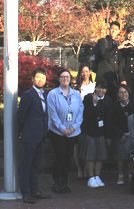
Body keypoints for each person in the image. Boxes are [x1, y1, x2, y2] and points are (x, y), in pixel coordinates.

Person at [47, 69, 84, 193]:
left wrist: (73, 127)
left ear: (70, 78)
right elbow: (52, 115)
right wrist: (63, 129)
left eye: (67, 76)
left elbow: (80, 112)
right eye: (62, 77)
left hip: (73, 132)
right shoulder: (53, 94)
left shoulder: (76, 94)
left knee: (68, 158)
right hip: (58, 133)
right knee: (60, 157)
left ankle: (65, 182)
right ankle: (56, 182)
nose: (65, 79)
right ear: (59, 79)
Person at [18, 67, 51, 203]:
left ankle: (35, 190)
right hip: (29, 137)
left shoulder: (44, 94)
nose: (40, 80)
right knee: (26, 165)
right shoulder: (28, 95)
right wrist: (21, 133)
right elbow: (21, 116)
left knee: (36, 165)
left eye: (43, 77)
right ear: (32, 79)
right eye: (38, 77)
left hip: (41, 136)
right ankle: (26, 193)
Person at [80, 82, 112, 188]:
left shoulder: (108, 100)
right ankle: (90, 177)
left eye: (103, 88)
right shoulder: (88, 98)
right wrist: (94, 104)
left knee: (100, 155)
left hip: (101, 132)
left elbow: (108, 118)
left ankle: (97, 176)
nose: (101, 90)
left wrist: (108, 135)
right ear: (95, 88)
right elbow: (86, 115)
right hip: (90, 131)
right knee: (90, 155)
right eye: (99, 87)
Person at [108, 84, 134, 185]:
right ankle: (120, 174)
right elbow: (111, 123)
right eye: (121, 92)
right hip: (121, 135)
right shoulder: (115, 106)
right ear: (118, 95)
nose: (123, 94)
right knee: (121, 155)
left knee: (131, 156)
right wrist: (121, 134)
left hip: (132, 135)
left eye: (125, 92)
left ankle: (130, 173)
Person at [94, 21, 125, 98]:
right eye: (112, 28)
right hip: (103, 77)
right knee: (100, 99)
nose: (113, 31)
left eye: (116, 29)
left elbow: (119, 62)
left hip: (113, 79)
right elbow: (104, 55)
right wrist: (117, 48)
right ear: (109, 29)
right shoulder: (102, 41)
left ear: (119, 31)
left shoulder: (117, 43)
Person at [74, 65, 95, 179]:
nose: (85, 73)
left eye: (87, 71)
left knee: (87, 144)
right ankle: (79, 168)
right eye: (83, 72)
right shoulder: (77, 88)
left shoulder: (94, 86)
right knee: (77, 145)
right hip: (78, 118)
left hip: (90, 118)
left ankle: (87, 169)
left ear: (90, 72)